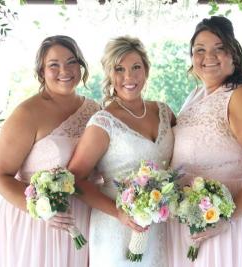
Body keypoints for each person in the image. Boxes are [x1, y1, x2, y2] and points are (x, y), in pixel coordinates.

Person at [167, 16, 242, 267]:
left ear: (233, 53)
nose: (208, 57)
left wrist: (228, 218)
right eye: (199, 50)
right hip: (197, 218)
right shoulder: (197, 94)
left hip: (232, 223)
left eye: (218, 48)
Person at [0, 35, 100, 267]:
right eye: (54, 65)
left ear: (81, 66)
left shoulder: (94, 110)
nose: (64, 70)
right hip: (37, 224)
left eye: (71, 62)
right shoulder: (27, 113)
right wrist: (42, 211)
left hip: (82, 218)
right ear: (41, 71)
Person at [67, 36, 175, 267]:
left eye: (136, 67)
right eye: (119, 69)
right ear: (109, 73)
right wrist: (119, 214)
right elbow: (74, 180)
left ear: (146, 69)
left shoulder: (165, 112)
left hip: (163, 226)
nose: (129, 77)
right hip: (117, 227)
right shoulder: (103, 123)